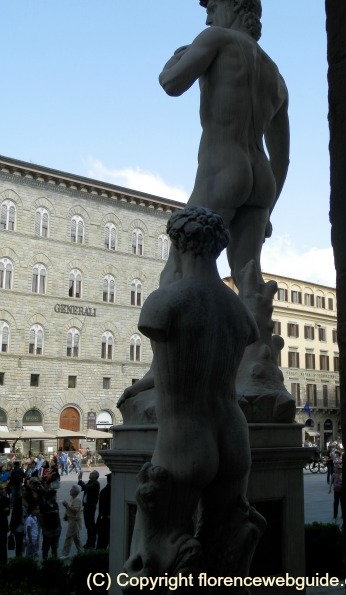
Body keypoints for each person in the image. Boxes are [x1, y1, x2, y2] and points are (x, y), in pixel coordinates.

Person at [119, 207, 265, 578]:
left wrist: (136, 388)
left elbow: (172, 367)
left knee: (158, 563)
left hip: (185, 439)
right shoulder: (240, 314)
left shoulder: (164, 302)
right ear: (218, 249)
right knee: (224, 564)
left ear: (178, 245)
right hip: (235, 437)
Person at [158, 0, 289, 288]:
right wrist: (268, 210)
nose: (208, 19)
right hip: (262, 180)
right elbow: (282, 158)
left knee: (180, 267)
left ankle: (181, 336)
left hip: (223, 167)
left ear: (234, 6)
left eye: (213, 9)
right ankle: (256, 337)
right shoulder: (277, 77)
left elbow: (171, 84)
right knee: (249, 282)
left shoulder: (216, 39)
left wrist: (177, 57)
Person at [77, 470, 100, 549]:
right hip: (87, 506)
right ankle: (89, 542)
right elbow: (82, 488)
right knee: (88, 525)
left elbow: (85, 487)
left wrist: (80, 479)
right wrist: (80, 481)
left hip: (90, 507)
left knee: (90, 525)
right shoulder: (91, 482)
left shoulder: (96, 483)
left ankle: (91, 543)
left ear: (96, 476)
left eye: (92, 473)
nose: (90, 474)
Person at [61, 485, 83, 558]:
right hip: (72, 520)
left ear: (75, 492)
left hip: (75, 521)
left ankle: (65, 554)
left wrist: (66, 505)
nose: (70, 490)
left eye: (71, 489)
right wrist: (66, 515)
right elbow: (70, 509)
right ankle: (81, 552)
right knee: (76, 538)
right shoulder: (72, 498)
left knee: (69, 537)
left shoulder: (77, 500)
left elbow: (75, 510)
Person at [40, 489, 61, 560]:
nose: (56, 497)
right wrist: (44, 530)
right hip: (48, 532)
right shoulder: (44, 506)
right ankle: (45, 561)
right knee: (46, 548)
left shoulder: (56, 504)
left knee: (54, 548)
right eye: (55, 496)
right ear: (50, 497)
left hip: (56, 530)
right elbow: (41, 519)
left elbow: (58, 516)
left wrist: (59, 527)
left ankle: (55, 562)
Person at [95, 473, 111, 550]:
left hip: (102, 518)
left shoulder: (103, 491)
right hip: (108, 519)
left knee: (101, 543)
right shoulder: (113, 491)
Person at [0, 486, 10, 564]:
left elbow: (7, 512)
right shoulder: (5, 499)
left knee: (3, 546)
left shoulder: (6, 499)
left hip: (3, 525)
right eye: (2, 489)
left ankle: (4, 563)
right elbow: (5, 511)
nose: (3, 490)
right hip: (3, 522)